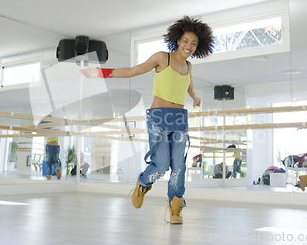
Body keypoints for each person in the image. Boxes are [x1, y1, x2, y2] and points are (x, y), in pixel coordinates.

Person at [80, 16, 215, 224]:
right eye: (186, 41)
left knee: (179, 165)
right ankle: (143, 183)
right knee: (161, 165)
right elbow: (132, 71)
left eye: (194, 43)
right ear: (178, 40)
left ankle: (175, 208)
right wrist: (101, 73)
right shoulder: (162, 58)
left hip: (179, 118)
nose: (189, 46)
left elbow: (189, 87)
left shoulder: (189, 67)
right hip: (159, 117)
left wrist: (195, 98)